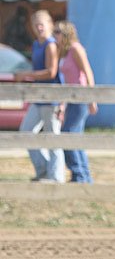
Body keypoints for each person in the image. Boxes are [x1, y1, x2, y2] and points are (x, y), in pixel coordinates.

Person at [13, 10, 65, 182]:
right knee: (26, 131)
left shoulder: (51, 44)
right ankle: (43, 169)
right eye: (36, 25)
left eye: (42, 24)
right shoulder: (36, 44)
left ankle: (56, 176)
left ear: (49, 24)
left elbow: (52, 72)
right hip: (38, 98)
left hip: (51, 98)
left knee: (52, 137)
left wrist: (28, 75)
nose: (39, 27)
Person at [55, 21, 97, 183]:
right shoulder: (64, 52)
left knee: (69, 134)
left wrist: (92, 98)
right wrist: (62, 104)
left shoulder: (76, 49)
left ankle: (79, 174)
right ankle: (83, 176)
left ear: (66, 33)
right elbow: (66, 81)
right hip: (70, 99)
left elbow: (87, 72)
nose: (55, 36)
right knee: (75, 136)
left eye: (58, 32)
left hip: (81, 98)